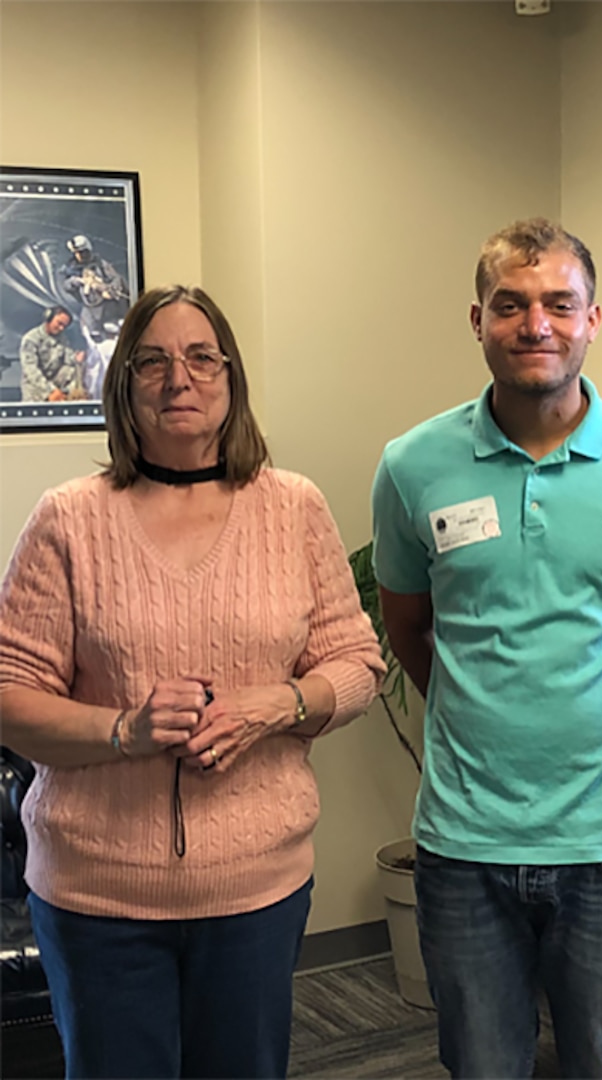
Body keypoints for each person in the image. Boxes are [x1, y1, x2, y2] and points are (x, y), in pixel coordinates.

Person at [0, 284, 386, 1078]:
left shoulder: (294, 507)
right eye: (153, 361)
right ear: (125, 386)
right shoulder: (68, 518)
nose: (181, 378)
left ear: (230, 378)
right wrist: (123, 731)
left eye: (202, 357)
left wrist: (278, 705)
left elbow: (357, 665)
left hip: (257, 892)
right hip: (97, 897)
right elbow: (11, 698)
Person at [371, 218, 602, 1079]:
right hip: (464, 843)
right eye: (509, 305)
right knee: (480, 1066)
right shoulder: (412, 465)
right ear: (476, 320)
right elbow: (406, 624)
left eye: (559, 303)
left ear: (594, 320)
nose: (535, 325)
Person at [19, 305, 84, 401]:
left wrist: (76, 358)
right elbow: (31, 371)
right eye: (59, 323)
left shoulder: (62, 338)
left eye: (64, 326)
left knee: (71, 370)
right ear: (48, 318)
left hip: (54, 384)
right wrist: (50, 391)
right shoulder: (30, 339)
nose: (61, 328)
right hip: (36, 389)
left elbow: (67, 358)